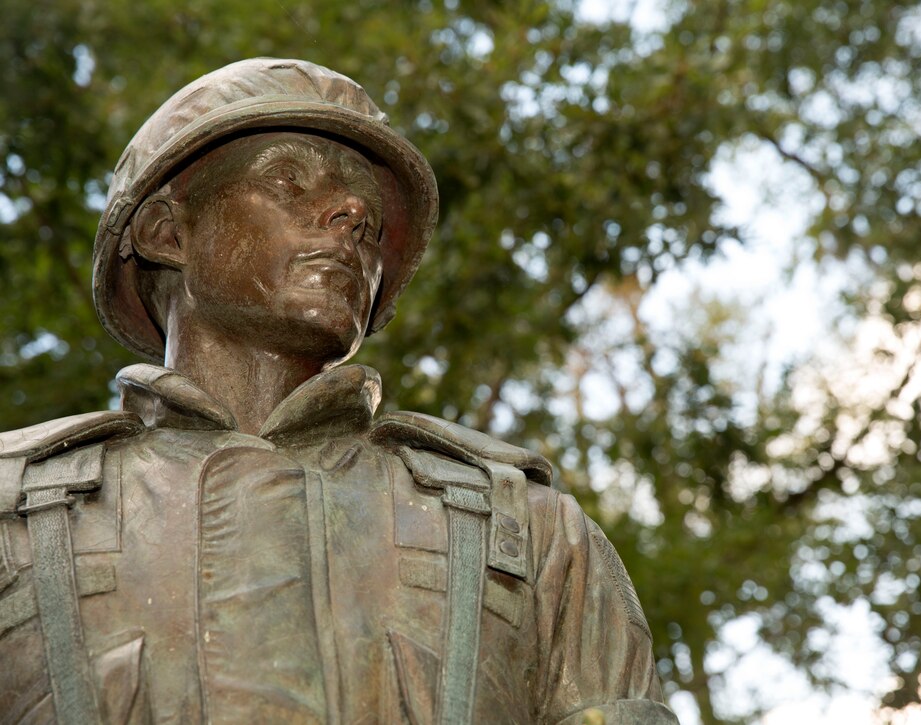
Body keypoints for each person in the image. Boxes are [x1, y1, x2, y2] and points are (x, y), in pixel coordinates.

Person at [0, 59, 676, 724]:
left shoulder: (531, 534)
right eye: (289, 181)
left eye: (372, 219)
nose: (353, 213)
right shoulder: (14, 518)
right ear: (167, 233)